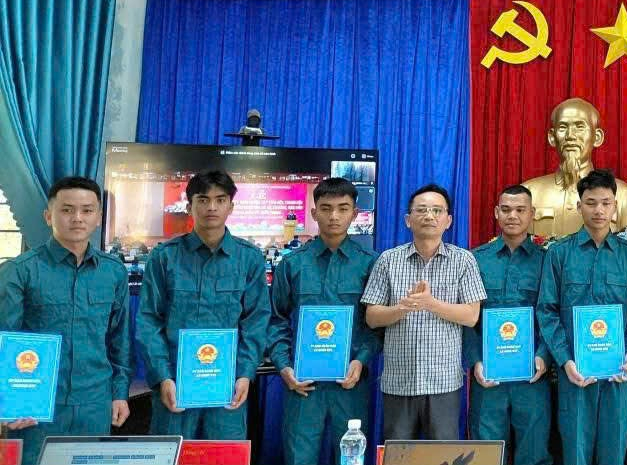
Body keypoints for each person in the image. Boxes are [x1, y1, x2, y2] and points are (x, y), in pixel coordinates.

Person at [0, 177, 130, 465]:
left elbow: (119, 339)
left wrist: (120, 393)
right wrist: (8, 401)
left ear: (98, 217)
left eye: (87, 210)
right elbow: (4, 340)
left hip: (95, 403)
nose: (77, 218)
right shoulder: (19, 271)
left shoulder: (113, 272)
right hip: (36, 407)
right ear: (49, 216)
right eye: (67, 210)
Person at [136, 170, 271, 439]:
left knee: (222, 454)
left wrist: (244, 374)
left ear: (231, 206)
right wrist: (163, 376)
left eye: (220, 200)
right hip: (175, 383)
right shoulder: (164, 258)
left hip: (227, 384)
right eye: (203, 199)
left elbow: (256, 321)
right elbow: (149, 320)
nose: (212, 207)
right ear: (189, 206)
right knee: (173, 453)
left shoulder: (249, 258)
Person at [266, 178, 380, 465]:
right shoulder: (292, 263)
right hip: (303, 383)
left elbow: (376, 324)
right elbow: (276, 320)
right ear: (314, 213)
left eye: (343, 208)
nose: (334, 216)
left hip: (350, 382)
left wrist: (361, 360)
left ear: (355, 214)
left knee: (351, 459)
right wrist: (284, 367)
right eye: (326, 208)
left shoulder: (371, 263)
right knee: (299, 457)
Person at [361, 183, 486, 441]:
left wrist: (430, 303)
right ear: (408, 220)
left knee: (442, 455)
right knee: (398, 454)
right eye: (421, 210)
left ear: (448, 221)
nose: (429, 216)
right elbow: (372, 317)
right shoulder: (388, 260)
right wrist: (402, 307)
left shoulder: (464, 260)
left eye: (437, 210)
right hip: (398, 381)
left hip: (444, 382)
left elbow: (471, 315)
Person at [536, 169, 627, 465]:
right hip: (575, 373)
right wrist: (565, 360)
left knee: (613, 452)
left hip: (617, 373)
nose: (599, 210)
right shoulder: (559, 254)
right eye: (591, 202)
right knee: (575, 453)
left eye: (606, 203)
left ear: (615, 206)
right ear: (579, 205)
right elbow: (547, 310)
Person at [463, 185, 552, 465]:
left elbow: (552, 315)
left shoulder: (547, 261)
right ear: (496, 213)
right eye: (506, 209)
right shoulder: (475, 260)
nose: (512, 215)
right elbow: (467, 318)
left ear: (532, 214)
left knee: (534, 453)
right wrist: (475, 360)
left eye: (520, 210)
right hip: (489, 376)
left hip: (532, 376)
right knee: (486, 454)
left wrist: (544, 356)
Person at [521, 98, 627, 237]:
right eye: (562, 127)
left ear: (597, 137)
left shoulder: (625, 195)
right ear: (552, 137)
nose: (570, 136)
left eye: (580, 127)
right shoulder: (528, 192)